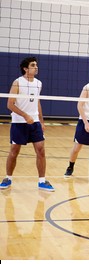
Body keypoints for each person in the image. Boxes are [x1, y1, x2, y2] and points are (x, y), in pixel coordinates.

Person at [0, 57, 54, 191]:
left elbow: (37, 102)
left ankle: (42, 181)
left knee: (41, 150)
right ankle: (8, 178)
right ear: (25, 68)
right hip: (19, 122)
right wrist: (25, 116)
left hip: (34, 122)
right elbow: (10, 104)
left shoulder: (38, 83)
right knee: (14, 151)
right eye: (33, 65)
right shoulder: (17, 83)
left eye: (36, 65)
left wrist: (41, 120)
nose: (36, 67)